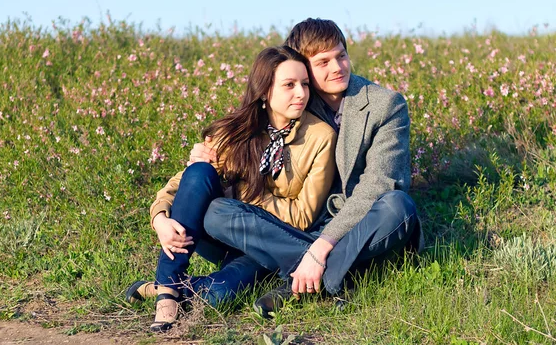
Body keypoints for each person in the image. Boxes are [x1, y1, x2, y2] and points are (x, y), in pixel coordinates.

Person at [194, 18, 424, 318]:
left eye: (341, 55)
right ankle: (330, 277)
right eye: (323, 61)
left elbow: (378, 185)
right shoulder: (295, 96)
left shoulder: (385, 105)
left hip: (361, 224)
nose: (337, 67)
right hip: (299, 221)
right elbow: (244, 139)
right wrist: (198, 162)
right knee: (216, 213)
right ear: (303, 67)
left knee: (398, 205)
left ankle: (293, 278)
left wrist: (321, 248)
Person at [140, 45, 337, 332]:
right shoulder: (234, 131)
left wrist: (239, 196)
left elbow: (302, 217)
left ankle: (156, 287)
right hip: (219, 236)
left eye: (305, 84)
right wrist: (160, 219)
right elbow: (182, 185)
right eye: (289, 85)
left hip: (267, 244)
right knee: (200, 171)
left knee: (220, 294)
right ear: (265, 90)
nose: (301, 93)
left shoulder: (321, 137)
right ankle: (168, 289)